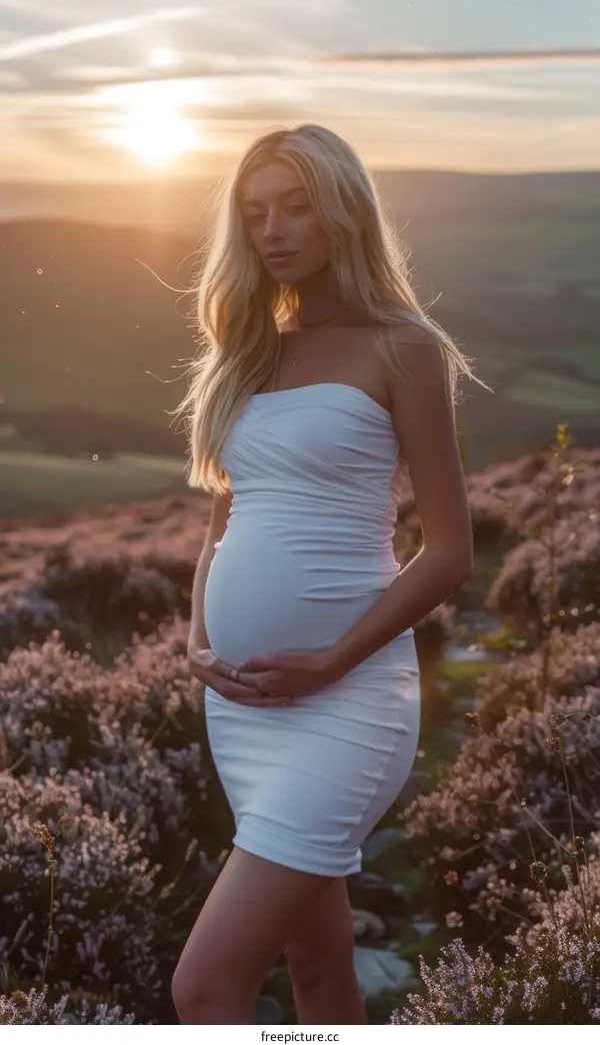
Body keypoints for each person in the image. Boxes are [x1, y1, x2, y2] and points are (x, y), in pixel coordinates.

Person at [170, 123, 485, 1025]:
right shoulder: (249, 350)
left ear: (344, 210)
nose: (273, 230)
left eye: (297, 206)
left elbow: (452, 551)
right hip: (240, 704)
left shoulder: (403, 346)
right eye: (255, 211)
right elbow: (225, 515)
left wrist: (330, 660)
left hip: (346, 703)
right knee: (316, 963)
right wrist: (199, 636)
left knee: (204, 987)